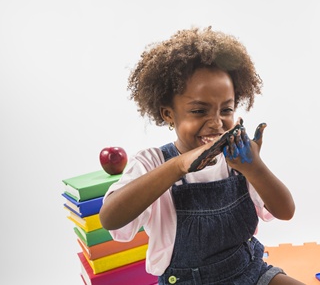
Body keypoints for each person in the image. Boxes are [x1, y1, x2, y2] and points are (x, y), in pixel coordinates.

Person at [99, 26, 303, 285]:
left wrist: (255, 168)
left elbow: (286, 211)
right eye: (199, 111)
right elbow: (110, 218)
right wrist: (177, 166)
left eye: (226, 110)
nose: (216, 123)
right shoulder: (152, 163)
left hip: (249, 271)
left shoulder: (239, 159)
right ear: (168, 114)